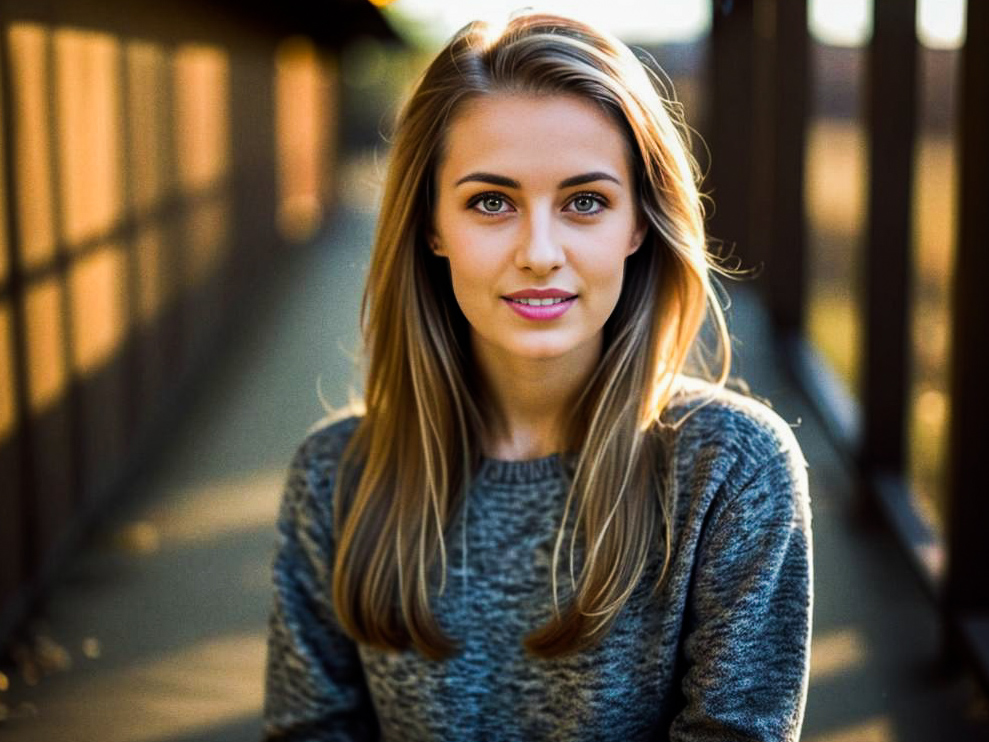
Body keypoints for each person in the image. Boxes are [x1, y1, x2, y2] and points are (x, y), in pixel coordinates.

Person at [263, 12, 812, 742]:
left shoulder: (731, 470)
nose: (540, 252)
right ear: (431, 224)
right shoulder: (336, 475)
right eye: (491, 202)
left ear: (638, 225)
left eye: (585, 202)